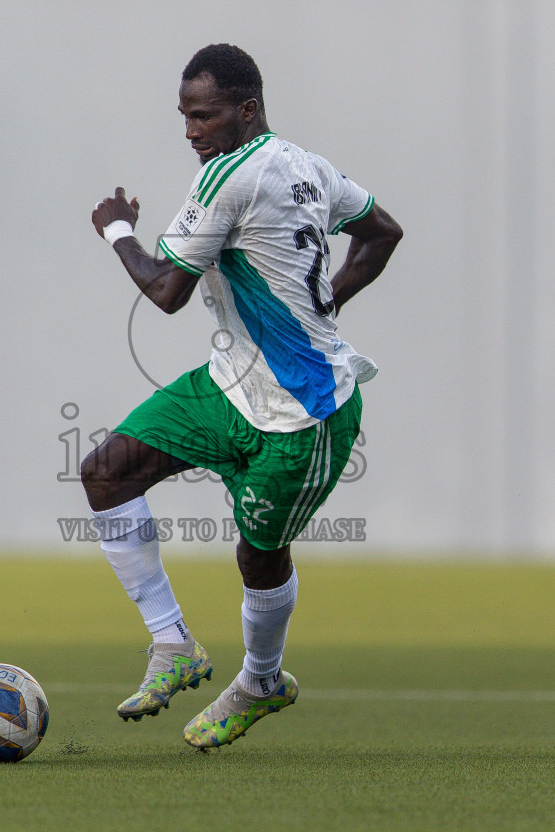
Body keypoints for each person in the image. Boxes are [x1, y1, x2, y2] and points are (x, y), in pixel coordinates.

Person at [82, 44, 402, 750]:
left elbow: (166, 291)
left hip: (302, 414)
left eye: (205, 115)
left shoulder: (230, 177)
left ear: (246, 109)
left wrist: (117, 228)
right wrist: (324, 306)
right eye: (185, 116)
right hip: (230, 385)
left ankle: (261, 680)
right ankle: (174, 644)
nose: (192, 131)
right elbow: (381, 232)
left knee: (258, 557)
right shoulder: (309, 166)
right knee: (106, 471)